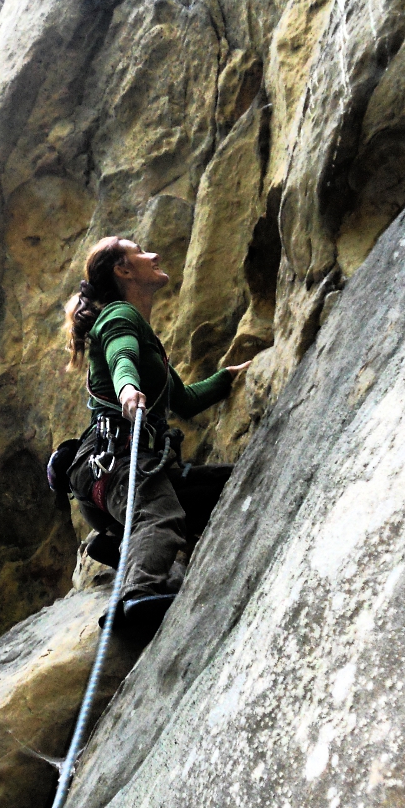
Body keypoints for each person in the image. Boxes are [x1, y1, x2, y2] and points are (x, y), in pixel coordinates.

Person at [65, 235, 250, 631]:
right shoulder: (119, 316)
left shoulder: (146, 339)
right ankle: (137, 595)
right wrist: (127, 390)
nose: (154, 255)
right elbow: (121, 357)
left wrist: (227, 378)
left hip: (118, 473)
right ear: (124, 270)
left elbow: (184, 400)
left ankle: (120, 542)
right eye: (140, 252)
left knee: (230, 482)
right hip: (115, 462)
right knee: (160, 515)